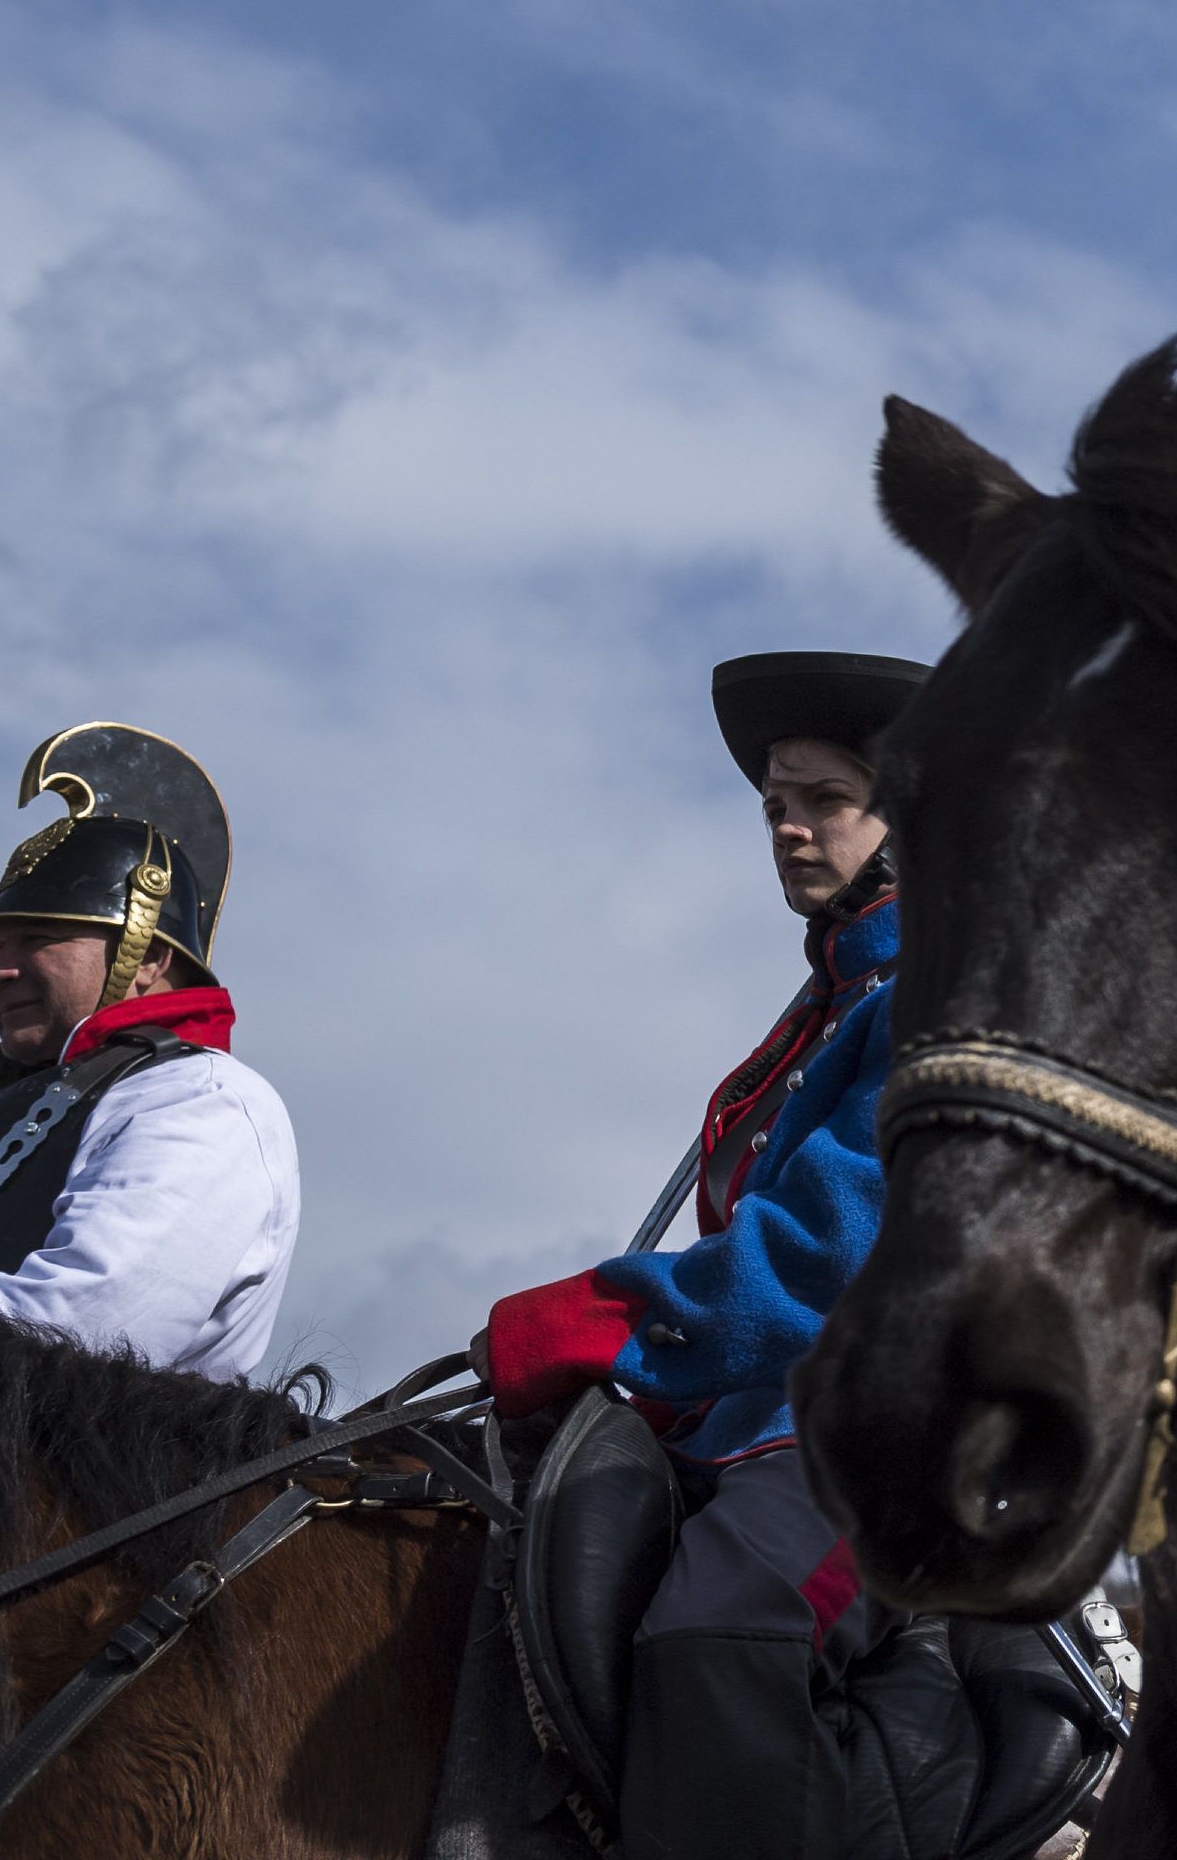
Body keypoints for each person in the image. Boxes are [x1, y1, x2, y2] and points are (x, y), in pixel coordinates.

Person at [476, 650, 927, 1859]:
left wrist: (601, 1323)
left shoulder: (944, 987)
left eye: (823, 798)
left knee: (724, 1622)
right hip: (754, 1421)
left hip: (891, 1427)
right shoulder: (831, 1000)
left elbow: (838, 1254)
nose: (787, 828)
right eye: (775, 804)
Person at [0, 723, 295, 1379]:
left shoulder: (200, 1101)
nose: (3, 969)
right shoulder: (16, 1098)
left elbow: (76, 1334)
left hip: (95, 1476)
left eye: (38, 940)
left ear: (148, 958)